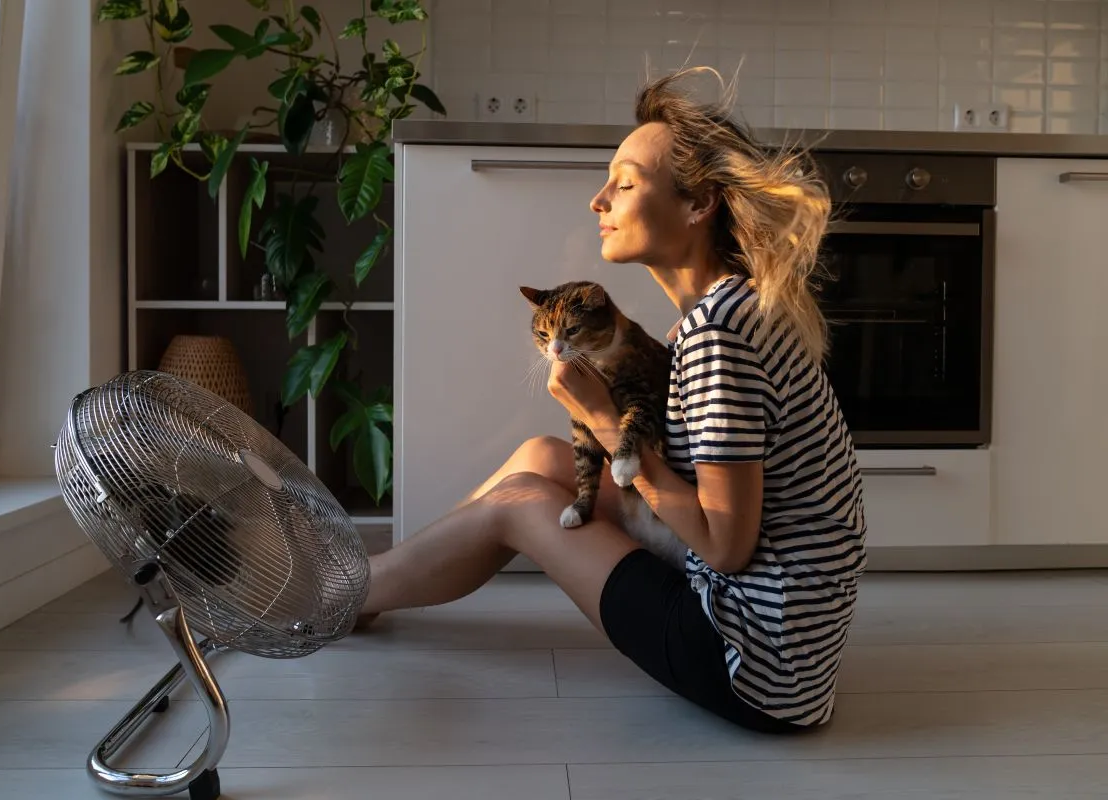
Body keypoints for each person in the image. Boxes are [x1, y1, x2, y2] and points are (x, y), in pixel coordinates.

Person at [357, 67, 867, 733]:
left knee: (519, 503)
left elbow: (727, 547)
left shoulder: (718, 336)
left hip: (750, 663)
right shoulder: (731, 309)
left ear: (697, 204)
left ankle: (339, 595)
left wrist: (601, 414)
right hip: (791, 651)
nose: (598, 200)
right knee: (542, 456)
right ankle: (366, 590)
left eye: (625, 183)